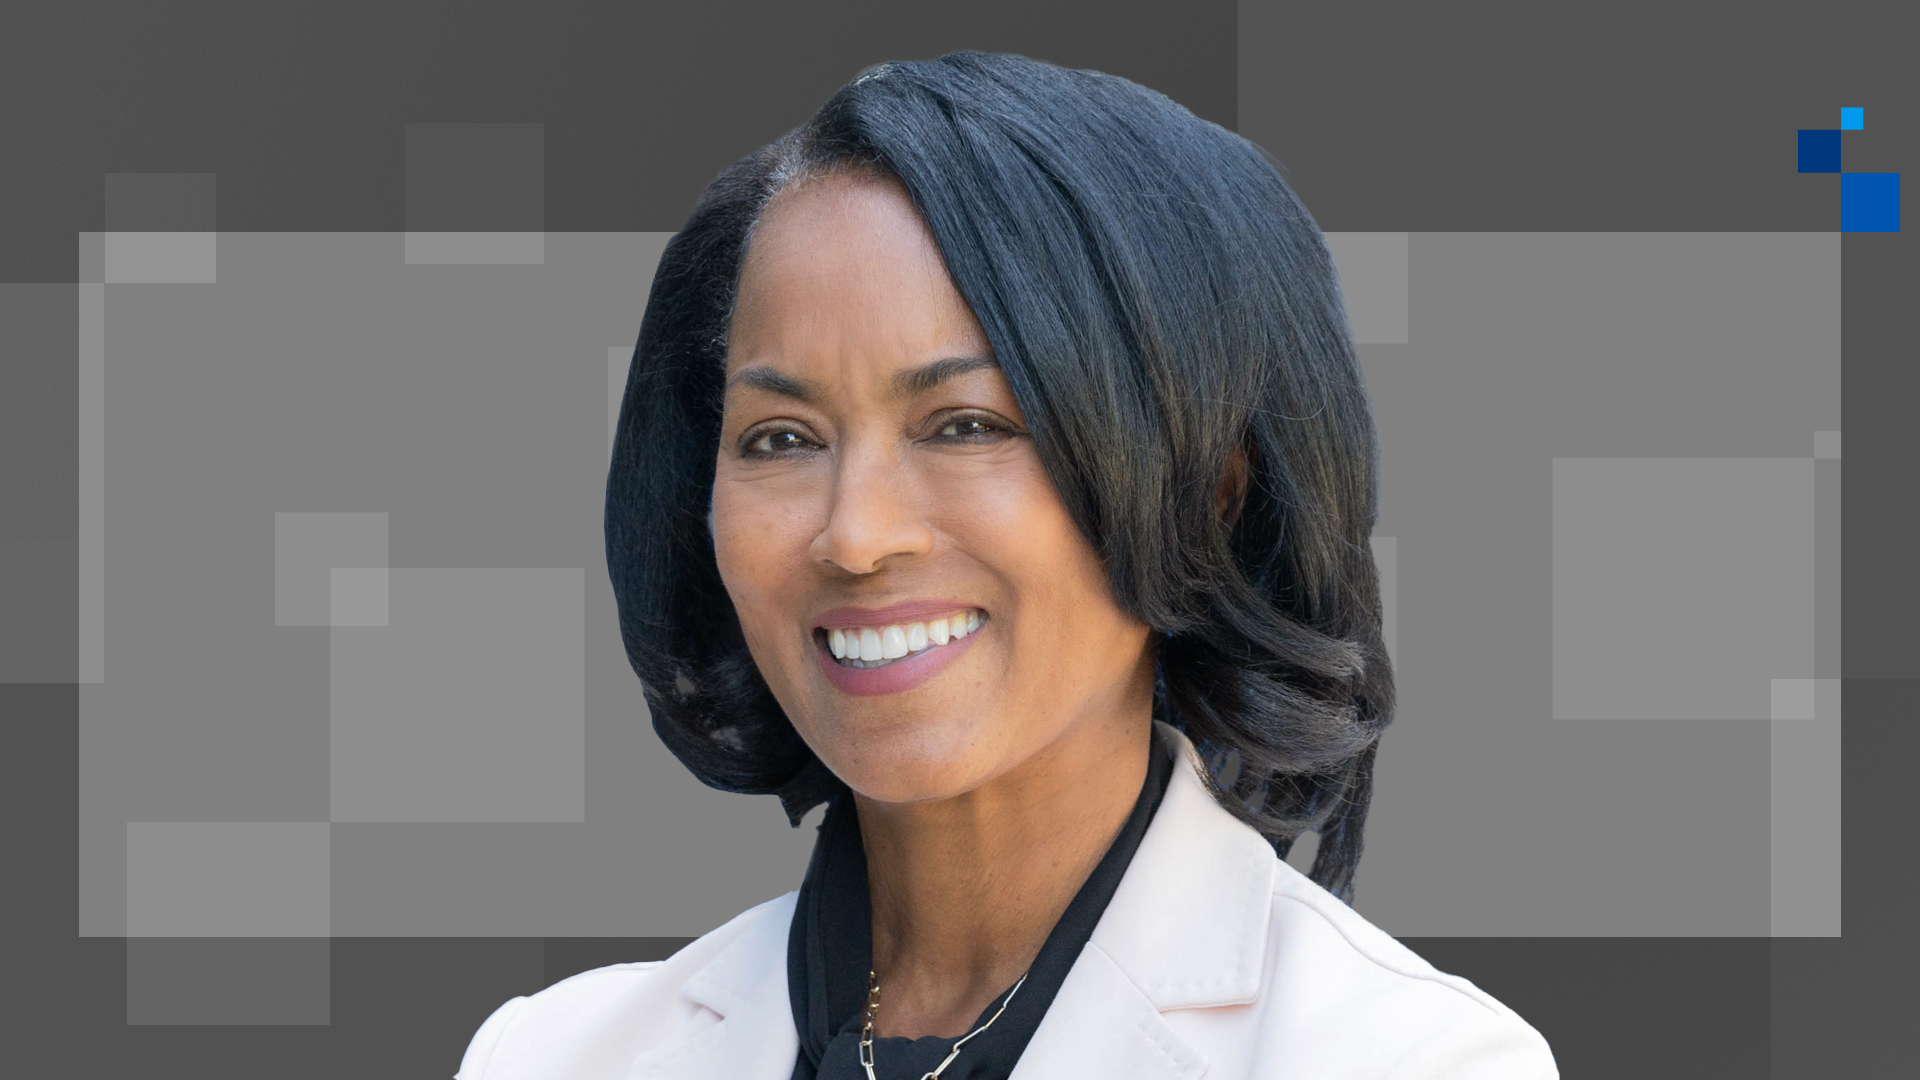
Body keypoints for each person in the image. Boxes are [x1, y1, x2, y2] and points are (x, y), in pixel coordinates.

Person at [456, 50, 1558, 1079]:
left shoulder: (1410, 1060)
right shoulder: (554, 1057)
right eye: (781, 439)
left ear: (1209, 488)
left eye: (968, 424)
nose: (855, 534)